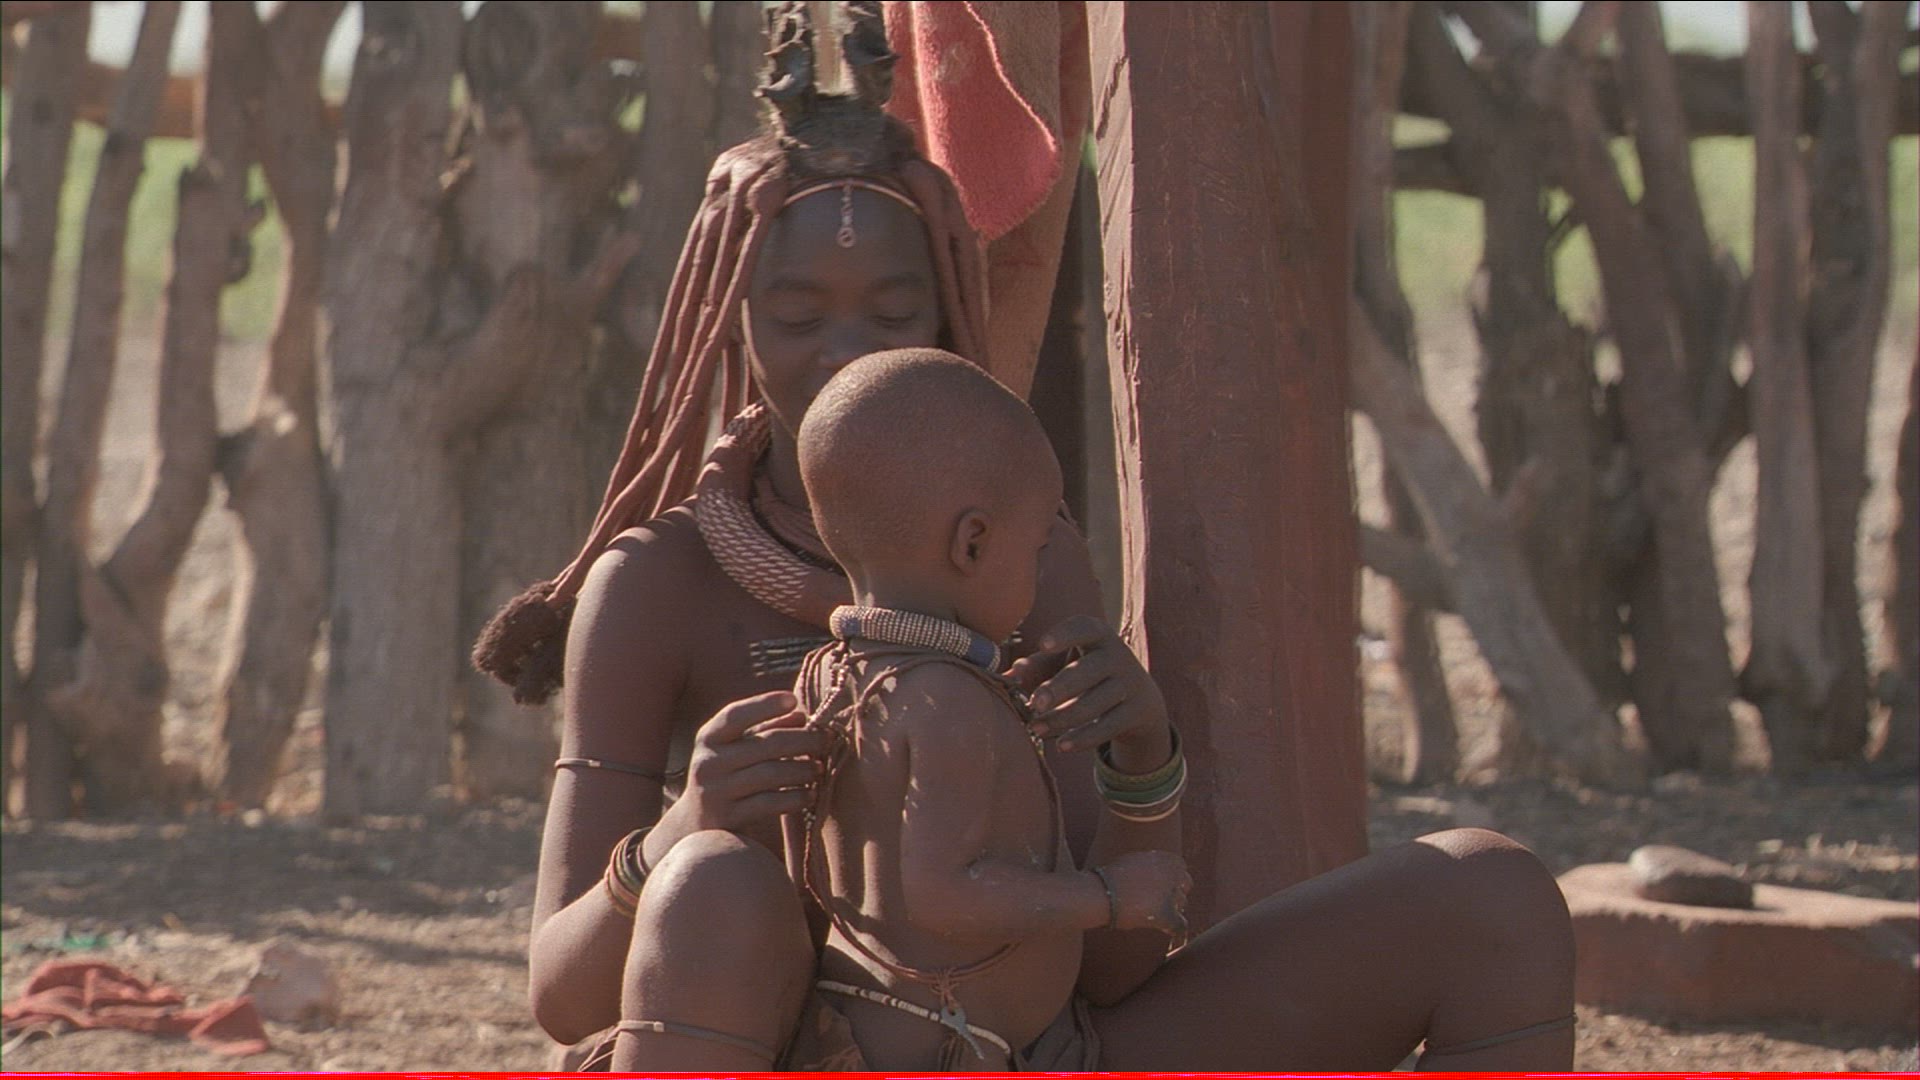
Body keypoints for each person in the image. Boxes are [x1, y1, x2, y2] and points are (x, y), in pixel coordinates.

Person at [474, 2, 1576, 1071]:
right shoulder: (658, 582)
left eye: (892, 314)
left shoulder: (1021, 556)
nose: (845, 350)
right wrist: (683, 831)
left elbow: (1112, 972)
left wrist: (1143, 770)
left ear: (950, 313)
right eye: (799, 316)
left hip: (1037, 1049)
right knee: (716, 886)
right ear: (734, 319)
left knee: (1490, 898)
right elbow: (563, 997)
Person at [773, 348, 1190, 1070]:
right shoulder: (946, 701)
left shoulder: (833, 677)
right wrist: (1106, 896)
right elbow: (941, 893)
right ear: (973, 543)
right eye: (1036, 547)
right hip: (939, 1052)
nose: (1039, 572)